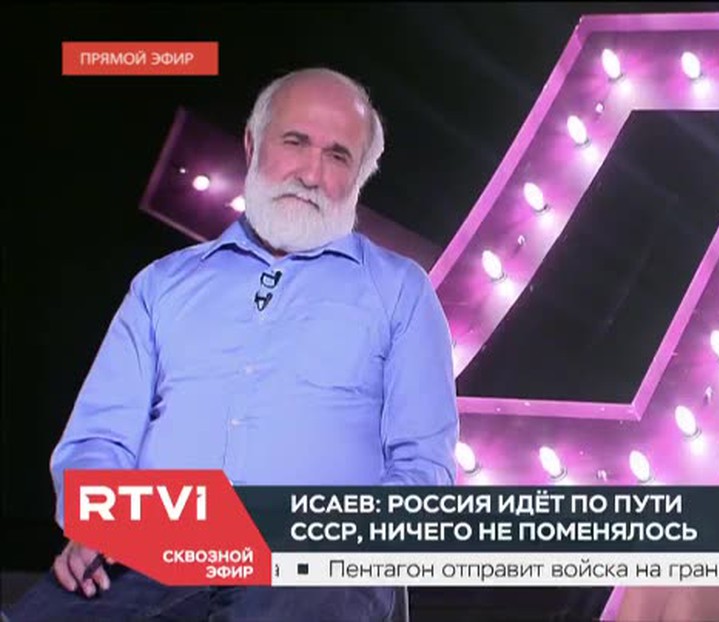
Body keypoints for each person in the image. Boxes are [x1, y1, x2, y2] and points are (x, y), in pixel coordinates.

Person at [6, 67, 459, 622]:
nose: (311, 174)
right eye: (295, 142)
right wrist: (103, 522)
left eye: (339, 156)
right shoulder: (161, 285)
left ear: (362, 175)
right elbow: (100, 437)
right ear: (252, 143)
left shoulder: (400, 290)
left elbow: (423, 466)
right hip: (151, 549)